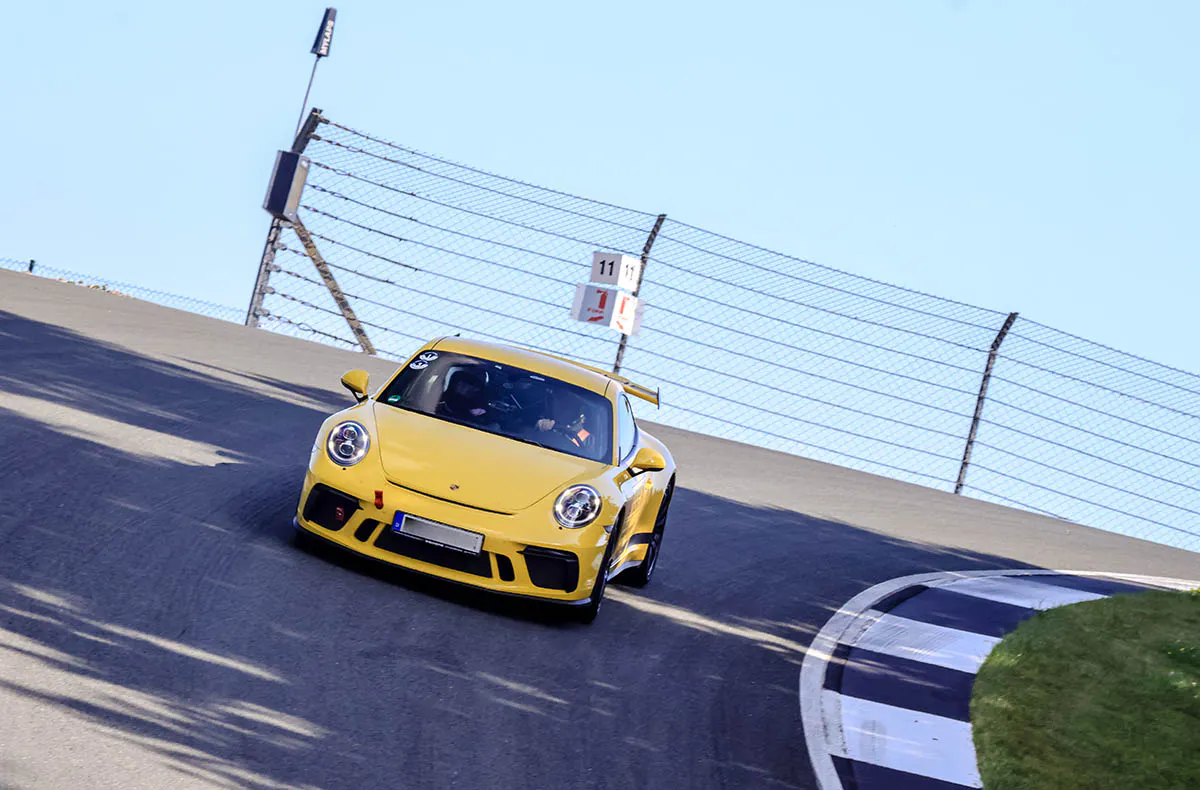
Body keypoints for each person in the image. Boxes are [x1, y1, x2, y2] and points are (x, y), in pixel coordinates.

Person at [534, 389, 594, 454]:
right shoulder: (546, 425)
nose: (561, 408)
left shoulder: (589, 440)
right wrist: (539, 428)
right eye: (559, 402)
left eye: (568, 405)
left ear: (578, 409)